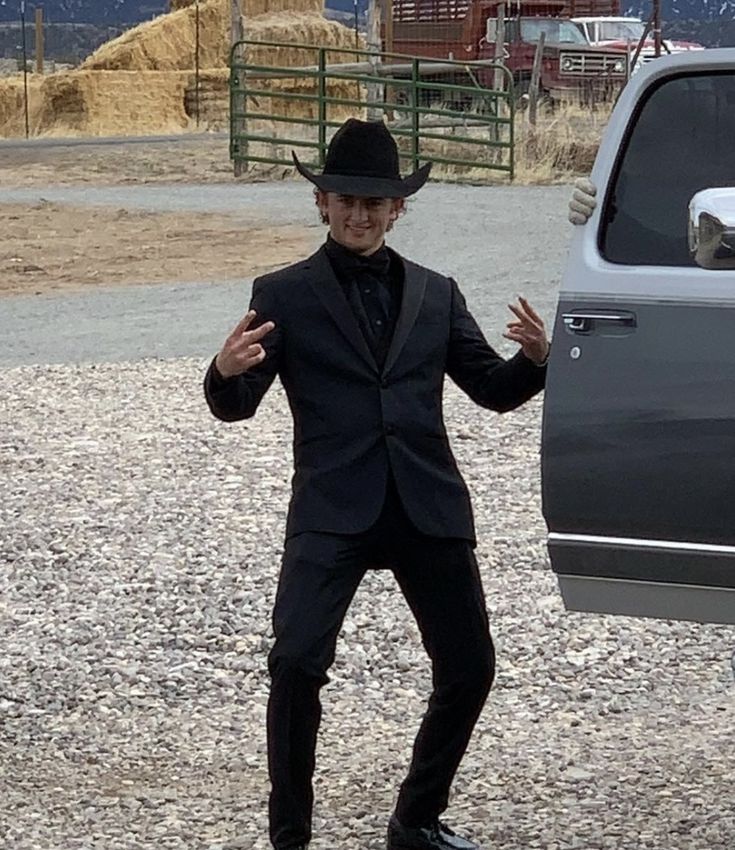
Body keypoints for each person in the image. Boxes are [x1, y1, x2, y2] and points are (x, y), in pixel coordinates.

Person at [203, 118, 550, 850]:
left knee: (470, 666)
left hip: (426, 502)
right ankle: (290, 835)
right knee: (295, 663)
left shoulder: (435, 292)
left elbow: (489, 389)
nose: (360, 215)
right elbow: (237, 406)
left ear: (398, 210)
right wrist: (224, 374)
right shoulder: (283, 293)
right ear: (322, 203)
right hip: (333, 506)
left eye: (375, 203)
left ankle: (416, 820)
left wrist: (536, 362)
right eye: (346, 200)